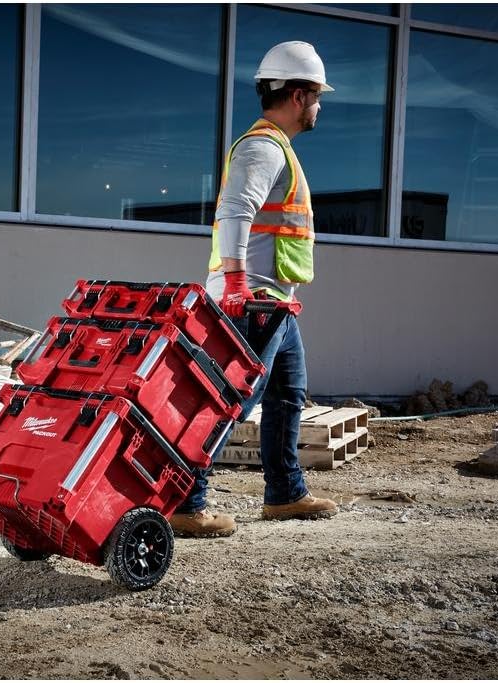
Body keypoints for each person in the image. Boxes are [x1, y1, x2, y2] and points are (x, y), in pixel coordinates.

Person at [170, 41, 338, 538]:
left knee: (289, 395)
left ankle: (285, 494)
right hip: (252, 302)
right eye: (317, 95)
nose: (319, 105)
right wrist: (238, 286)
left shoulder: (275, 148)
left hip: (274, 302)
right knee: (227, 403)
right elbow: (234, 212)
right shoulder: (262, 147)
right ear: (299, 94)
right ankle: (186, 501)